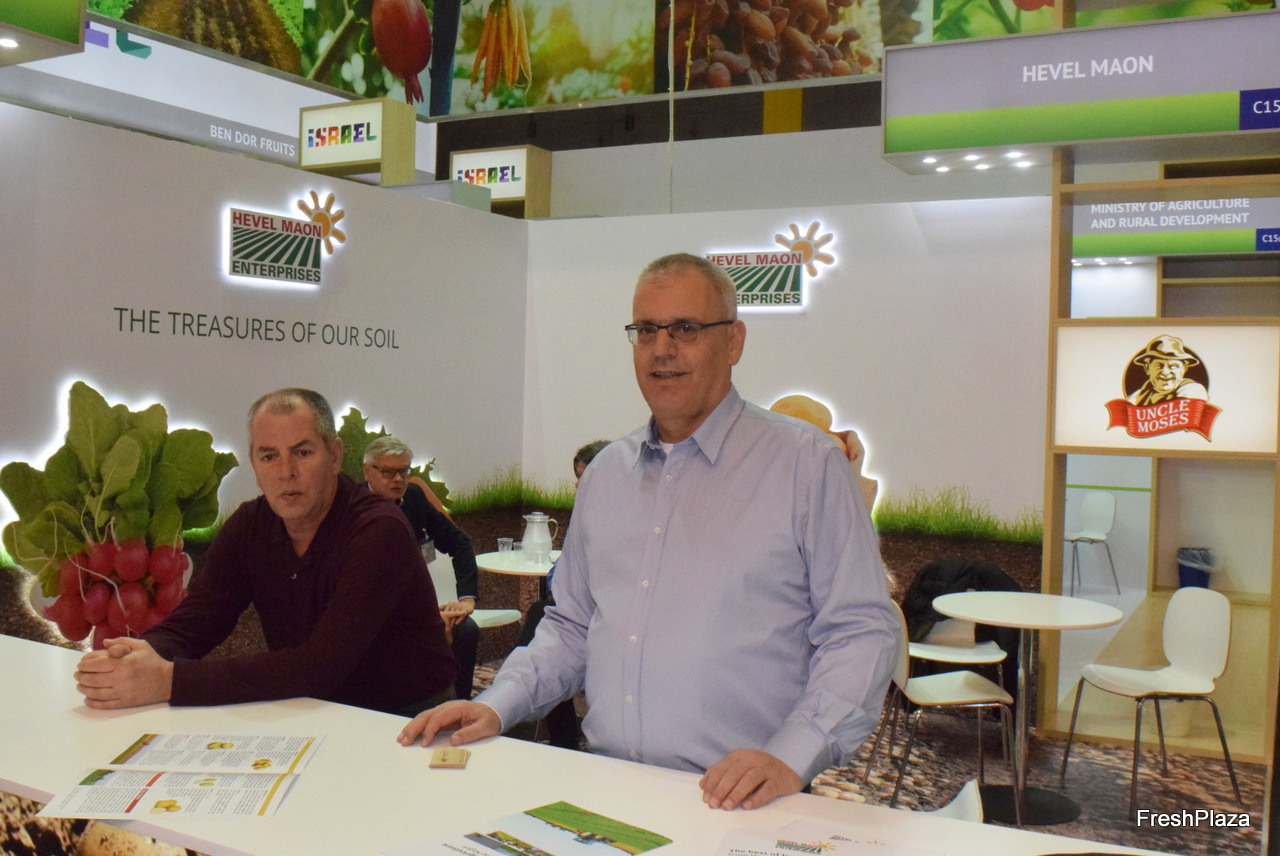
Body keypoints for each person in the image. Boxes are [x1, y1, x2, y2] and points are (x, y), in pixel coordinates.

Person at [400, 253, 899, 811]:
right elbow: (572, 625)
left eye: (685, 328)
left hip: (741, 804)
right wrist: (498, 704)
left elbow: (860, 632)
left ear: (733, 342)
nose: (662, 349)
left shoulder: (806, 465)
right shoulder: (607, 475)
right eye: (645, 330)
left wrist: (791, 755)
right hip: (606, 790)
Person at [74, 388, 456, 716]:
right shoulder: (250, 526)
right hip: (306, 708)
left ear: (335, 456)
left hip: (403, 718)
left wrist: (170, 680)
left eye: (302, 452)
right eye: (269, 456)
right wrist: (137, 654)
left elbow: (321, 665)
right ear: (254, 465)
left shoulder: (379, 530)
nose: (285, 472)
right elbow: (198, 621)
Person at [362, 436, 481, 702]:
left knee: (465, 629)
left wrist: (466, 598)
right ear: (367, 470)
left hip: (421, 606)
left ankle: (458, 708)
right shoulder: (354, 508)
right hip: (377, 614)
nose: (398, 479)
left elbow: (459, 543)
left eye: (404, 471)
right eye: (388, 472)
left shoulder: (414, 497)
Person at [514, 438, 610, 748]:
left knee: (544, 619)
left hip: (610, 614)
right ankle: (540, 715)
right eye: (578, 476)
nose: (579, 484)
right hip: (580, 609)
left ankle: (537, 719)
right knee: (545, 619)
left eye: (585, 475)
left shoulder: (628, 516)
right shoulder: (585, 513)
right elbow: (563, 570)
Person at [1127, 335, 1208, 406]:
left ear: (1184, 369)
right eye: (1159, 365)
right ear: (1147, 368)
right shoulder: (1135, 397)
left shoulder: (1193, 389)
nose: (1165, 372)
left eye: (1173, 366)